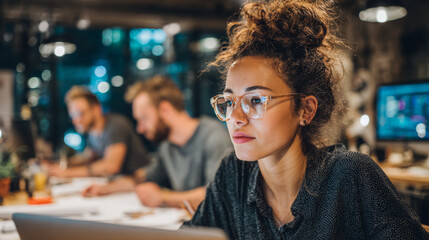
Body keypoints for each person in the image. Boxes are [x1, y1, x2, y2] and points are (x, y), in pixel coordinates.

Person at [182, 0, 429, 239]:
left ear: (305, 109)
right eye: (229, 102)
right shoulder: (234, 174)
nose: (234, 118)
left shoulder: (350, 175)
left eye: (255, 100)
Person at [83, 76, 232, 208]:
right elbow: (142, 178)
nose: (140, 129)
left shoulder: (213, 137)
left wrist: (163, 198)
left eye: (143, 118)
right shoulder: (167, 146)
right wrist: (105, 189)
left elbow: (217, 196)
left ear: (165, 109)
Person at [48, 86, 150, 178]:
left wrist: (67, 173)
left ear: (96, 109)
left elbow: (111, 166)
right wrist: (56, 165)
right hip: (120, 185)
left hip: (138, 183)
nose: (76, 120)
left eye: (79, 114)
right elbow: (87, 158)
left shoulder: (115, 125)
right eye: (73, 116)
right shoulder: (93, 132)